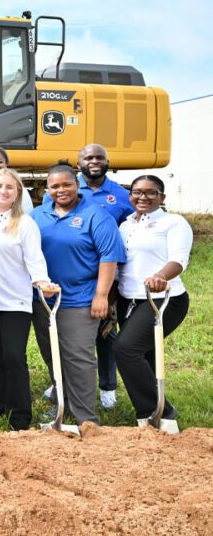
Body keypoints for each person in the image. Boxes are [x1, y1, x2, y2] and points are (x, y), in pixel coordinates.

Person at [30, 162, 125, 426]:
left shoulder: (96, 215)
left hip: (80, 300)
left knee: (79, 357)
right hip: (44, 301)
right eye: (54, 186)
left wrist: (101, 296)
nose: (61, 190)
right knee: (53, 355)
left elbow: (109, 257)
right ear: (46, 189)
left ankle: (86, 419)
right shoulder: (38, 215)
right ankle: (63, 406)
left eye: (66, 184)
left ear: (77, 185)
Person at [44, 144, 134, 410]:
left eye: (99, 157)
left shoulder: (120, 195)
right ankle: (66, 388)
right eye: (88, 158)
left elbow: (128, 233)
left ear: (107, 161)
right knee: (68, 341)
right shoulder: (58, 195)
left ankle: (107, 386)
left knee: (105, 334)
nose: (94, 161)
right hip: (64, 278)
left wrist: (106, 291)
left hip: (105, 278)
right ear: (78, 163)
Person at [0, 169, 51, 431]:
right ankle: (0, 407)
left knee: (14, 356)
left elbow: (34, 259)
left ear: (17, 194)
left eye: (9, 188)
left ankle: (21, 416)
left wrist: (43, 282)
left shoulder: (24, 223)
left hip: (14, 302)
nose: (2, 192)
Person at [114, 175, 192, 423]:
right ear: (130, 195)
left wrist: (160, 276)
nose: (143, 197)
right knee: (144, 354)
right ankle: (160, 409)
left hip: (162, 300)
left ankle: (155, 414)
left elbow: (179, 260)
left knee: (125, 349)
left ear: (162, 197)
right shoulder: (125, 225)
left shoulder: (173, 222)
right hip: (129, 301)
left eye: (151, 192)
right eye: (137, 192)